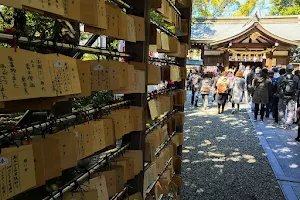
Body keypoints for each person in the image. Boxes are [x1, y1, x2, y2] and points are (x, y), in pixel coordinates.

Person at [277, 64, 300, 129]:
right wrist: (296, 95)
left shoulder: (282, 77)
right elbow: (298, 88)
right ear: (292, 70)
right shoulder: (296, 78)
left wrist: (280, 93)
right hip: (292, 96)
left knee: (281, 110)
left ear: (286, 69)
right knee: (291, 111)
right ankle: (288, 124)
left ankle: (282, 123)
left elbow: (278, 86)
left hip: (283, 96)